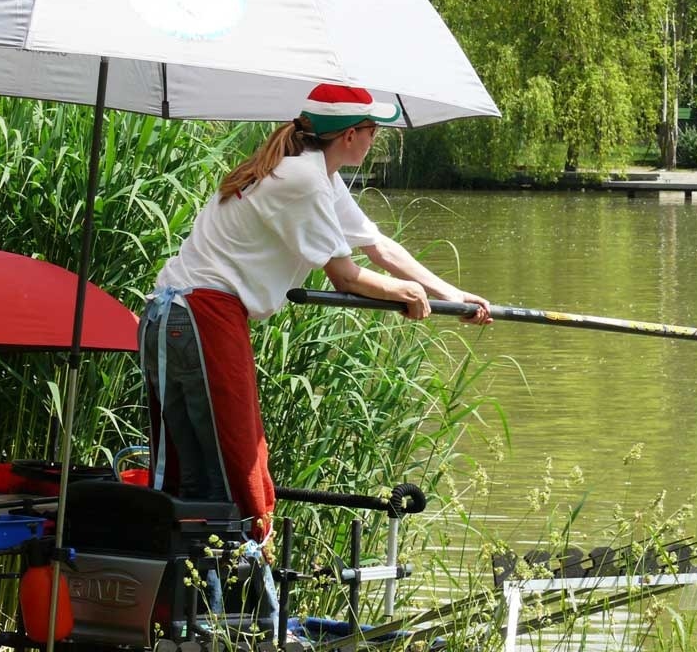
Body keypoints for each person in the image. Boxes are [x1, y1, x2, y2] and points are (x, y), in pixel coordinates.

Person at [139, 83, 491, 544]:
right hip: (201, 318)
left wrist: (454, 294)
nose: (374, 138)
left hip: (173, 318)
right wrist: (401, 292)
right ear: (349, 135)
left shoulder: (315, 174)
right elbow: (345, 275)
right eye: (371, 130)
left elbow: (378, 247)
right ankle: (236, 592)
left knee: (196, 469)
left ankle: (194, 596)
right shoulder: (302, 180)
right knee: (236, 463)